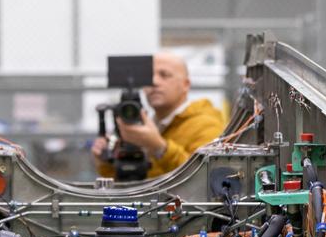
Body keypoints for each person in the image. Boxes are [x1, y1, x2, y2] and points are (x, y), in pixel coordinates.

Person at [91, 51, 225, 179]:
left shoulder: (206, 124)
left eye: (164, 75)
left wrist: (159, 148)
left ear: (186, 84)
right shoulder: (148, 126)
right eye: (149, 77)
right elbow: (133, 185)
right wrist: (106, 161)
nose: (154, 82)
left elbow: (205, 177)